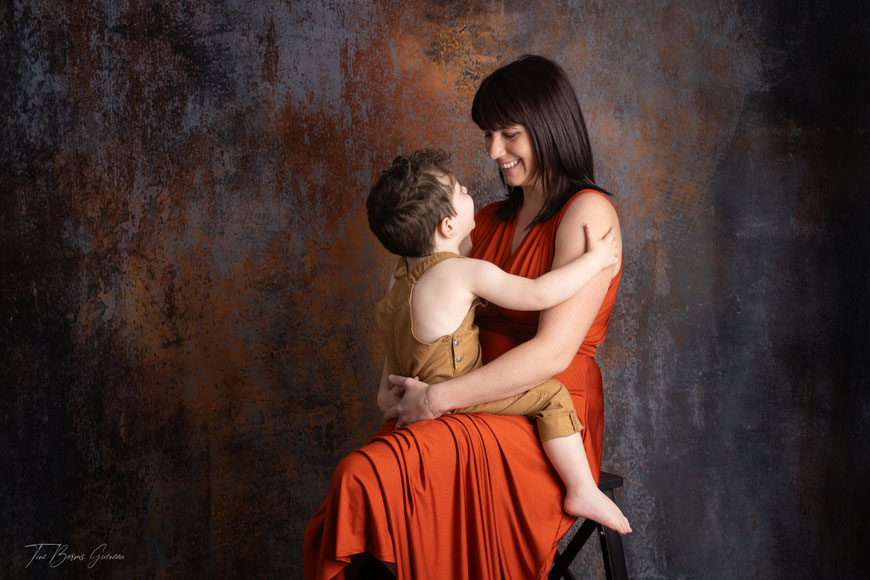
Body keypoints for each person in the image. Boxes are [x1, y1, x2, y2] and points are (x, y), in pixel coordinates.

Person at [304, 54, 624, 579]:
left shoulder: (587, 212)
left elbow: (553, 352)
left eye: (509, 134)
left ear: (547, 128)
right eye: (488, 136)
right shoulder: (489, 219)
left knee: (373, 472)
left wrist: (436, 398)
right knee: (373, 475)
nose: (494, 152)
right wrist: (411, 389)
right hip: (465, 390)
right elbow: (422, 289)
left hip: (545, 410)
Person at [365, 149, 630, 533]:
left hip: (422, 395)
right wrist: (596, 261)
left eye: (508, 134)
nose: (491, 152)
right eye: (460, 190)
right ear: (448, 227)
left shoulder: (397, 279)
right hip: (460, 396)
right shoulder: (464, 268)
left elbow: (393, 358)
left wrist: (390, 397)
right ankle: (581, 487)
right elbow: (539, 293)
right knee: (552, 397)